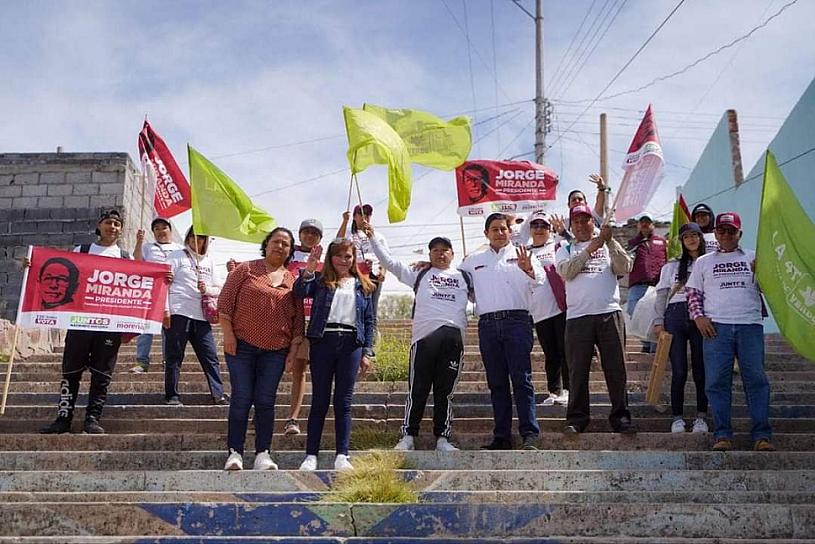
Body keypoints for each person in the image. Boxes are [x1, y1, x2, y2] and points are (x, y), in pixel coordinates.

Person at [365, 222, 470, 452]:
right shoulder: (420, 272)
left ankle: (443, 438)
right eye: (435, 250)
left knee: (445, 392)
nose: (440, 253)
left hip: (453, 339)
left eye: (445, 250)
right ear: (429, 254)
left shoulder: (464, 276)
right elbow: (390, 263)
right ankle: (408, 437)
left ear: (453, 254)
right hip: (424, 339)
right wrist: (373, 238)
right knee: (418, 390)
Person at [686, 212, 774, 452]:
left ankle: (762, 435)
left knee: (756, 380)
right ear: (715, 233)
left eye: (731, 231)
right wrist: (698, 317)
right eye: (721, 230)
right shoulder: (703, 261)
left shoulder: (754, 258)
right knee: (715, 382)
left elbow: (771, 291)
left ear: (740, 234)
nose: (726, 235)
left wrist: (763, 273)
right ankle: (722, 434)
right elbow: (693, 294)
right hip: (716, 328)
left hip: (750, 326)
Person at [218, 227, 305, 471]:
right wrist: (228, 335)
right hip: (241, 346)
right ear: (266, 244)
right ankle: (235, 452)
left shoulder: (292, 280)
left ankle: (263, 454)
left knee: (266, 400)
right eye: (276, 241)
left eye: (286, 244)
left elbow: (298, 320)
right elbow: (224, 304)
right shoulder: (244, 270)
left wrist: (292, 351)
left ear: (290, 251)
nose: (280, 246)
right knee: (242, 397)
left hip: (276, 350)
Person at [39, 209, 132, 435]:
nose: (113, 227)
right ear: (99, 226)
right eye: (109, 222)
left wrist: (163, 278)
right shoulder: (81, 251)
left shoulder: (125, 257)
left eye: (117, 224)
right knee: (71, 372)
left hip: (109, 325)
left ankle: (92, 418)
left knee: (102, 375)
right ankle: (63, 418)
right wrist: (31, 266)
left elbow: (135, 288)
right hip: (80, 321)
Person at [459, 213, 544, 450]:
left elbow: (541, 281)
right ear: (486, 233)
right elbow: (456, 281)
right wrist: (429, 265)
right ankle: (502, 437)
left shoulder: (524, 255)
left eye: (503, 228)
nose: (499, 233)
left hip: (517, 322)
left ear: (510, 231)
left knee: (522, 380)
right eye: (494, 229)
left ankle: (530, 434)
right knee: (496, 383)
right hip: (487, 325)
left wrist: (528, 270)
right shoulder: (473, 260)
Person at [294, 239, 374, 471]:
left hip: (351, 343)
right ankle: (311, 455)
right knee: (320, 399)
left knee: (344, 401)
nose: (343, 261)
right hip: (323, 340)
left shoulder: (363, 285)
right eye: (338, 256)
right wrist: (310, 267)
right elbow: (299, 291)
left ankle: (342, 455)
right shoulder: (320, 281)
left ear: (354, 259)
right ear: (330, 258)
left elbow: (369, 321)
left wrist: (367, 352)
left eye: (348, 256)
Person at [556, 204, 634, 435]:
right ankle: (577, 419)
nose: (581, 225)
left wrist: (608, 241)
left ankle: (621, 417)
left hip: (609, 312)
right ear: (571, 225)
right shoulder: (564, 247)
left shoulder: (609, 244)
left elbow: (625, 266)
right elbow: (567, 272)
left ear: (594, 222)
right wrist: (592, 248)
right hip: (578, 317)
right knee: (577, 370)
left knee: (616, 368)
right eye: (576, 221)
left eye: (585, 220)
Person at [653, 222, 708, 433]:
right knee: (679, 370)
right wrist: (658, 322)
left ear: (701, 238)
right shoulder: (671, 266)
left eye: (695, 235)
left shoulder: (709, 262)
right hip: (675, 317)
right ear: (682, 242)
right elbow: (661, 296)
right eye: (687, 237)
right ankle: (677, 417)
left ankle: (701, 416)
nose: (691, 240)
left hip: (700, 317)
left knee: (701, 369)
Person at [163, 227, 227, 406]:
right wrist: (165, 310)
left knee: (210, 356)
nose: (195, 241)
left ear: (205, 241)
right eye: (191, 237)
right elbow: (164, 285)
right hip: (178, 311)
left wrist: (206, 289)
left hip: (201, 315)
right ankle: (172, 395)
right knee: (174, 355)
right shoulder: (176, 256)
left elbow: (220, 289)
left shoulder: (211, 262)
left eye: (199, 238)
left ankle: (218, 394)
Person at [282, 218, 324, 436]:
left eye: (314, 233)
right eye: (306, 232)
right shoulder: (287, 255)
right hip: (283, 317)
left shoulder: (325, 261)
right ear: (299, 234)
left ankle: (293, 418)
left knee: (300, 371)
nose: (310, 236)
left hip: (310, 322)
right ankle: (259, 411)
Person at [526, 210, 568, 407]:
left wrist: (564, 232)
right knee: (550, 354)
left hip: (561, 308)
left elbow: (577, 248)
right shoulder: (523, 251)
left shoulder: (558, 245)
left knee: (565, 351)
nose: (539, 229)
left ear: (550, 229)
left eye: (544, 226)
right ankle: (553, 391)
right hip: (538, 312)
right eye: (535, 225)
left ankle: (568, 390)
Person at [130, 218, 183, 373]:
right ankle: (142, 361)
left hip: (173, 294)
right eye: (157, 229)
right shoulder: (148, 247)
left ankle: (168, 361)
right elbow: (137, 262)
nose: (161, 231)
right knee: (146, 328)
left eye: (164, 228)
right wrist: (139, 242)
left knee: (170, 329)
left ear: (170, 230)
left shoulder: (180, 248)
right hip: (151, 293)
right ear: (153, 233)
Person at [336, 204, 388, 337]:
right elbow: (337, 242)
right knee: (354, 306)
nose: (365, 217)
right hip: (354, 274)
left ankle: (370, 344)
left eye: (368, 214)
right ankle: (353, 337)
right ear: (354, 217)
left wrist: (383, 272)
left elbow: (385, 257)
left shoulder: (379, 236)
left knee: (371, 309)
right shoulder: (348, 233)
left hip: (373, 275)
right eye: (361, 214)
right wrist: (344, 221)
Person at [626, 214, 667, 353]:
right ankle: (646, 342)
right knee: (633, 311)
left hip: (656, 286)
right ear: (638, 225)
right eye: (642, 222)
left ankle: (653, 348)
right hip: (637, 285)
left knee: (655, 316)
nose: (644, 224)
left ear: (652, 225)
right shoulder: (632, 243)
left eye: (647, 222)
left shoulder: (662, 242)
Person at [551, 173, 610, 241]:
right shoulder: (564, 223)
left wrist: (601, 189)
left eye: (580, 199)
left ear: (586, 203)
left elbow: (600, 203)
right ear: (568, 205)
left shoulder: (594, 217)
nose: (577, 201)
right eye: (573, 200)